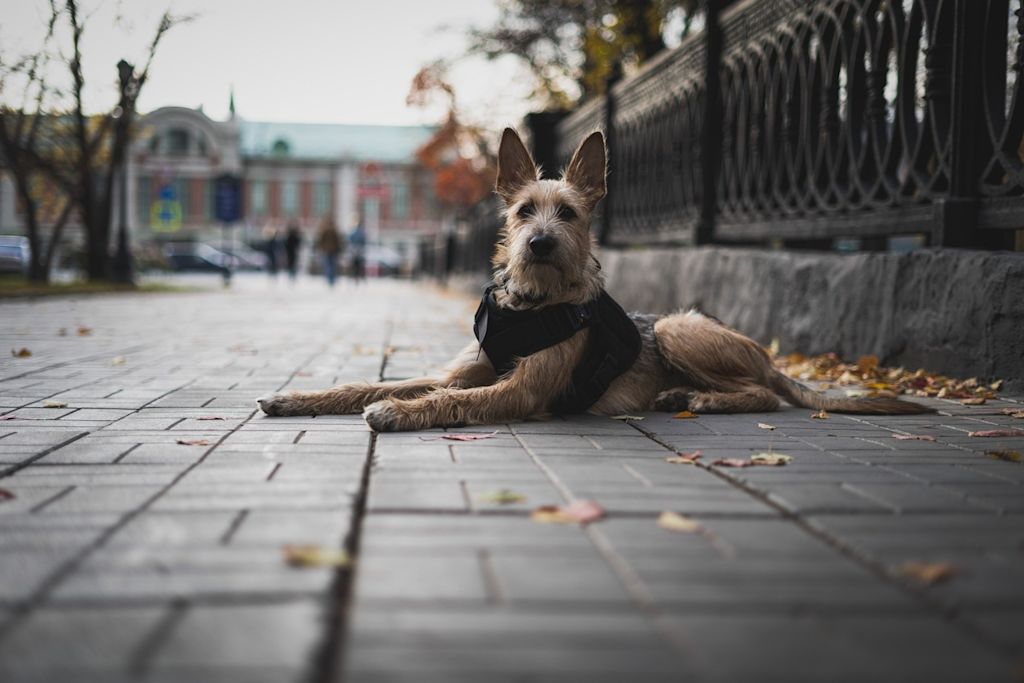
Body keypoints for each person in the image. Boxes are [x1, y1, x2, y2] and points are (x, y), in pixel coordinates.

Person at [315, 216, 345, 287]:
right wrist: (340, 249)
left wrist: (320, 248)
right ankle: (332, 279)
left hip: (326, 250)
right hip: (334, 250)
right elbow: (339, 241)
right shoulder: (335, 230)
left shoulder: (324, 229)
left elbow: (320, 240)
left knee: (328, 265)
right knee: (333, 265)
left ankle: (329, 278)